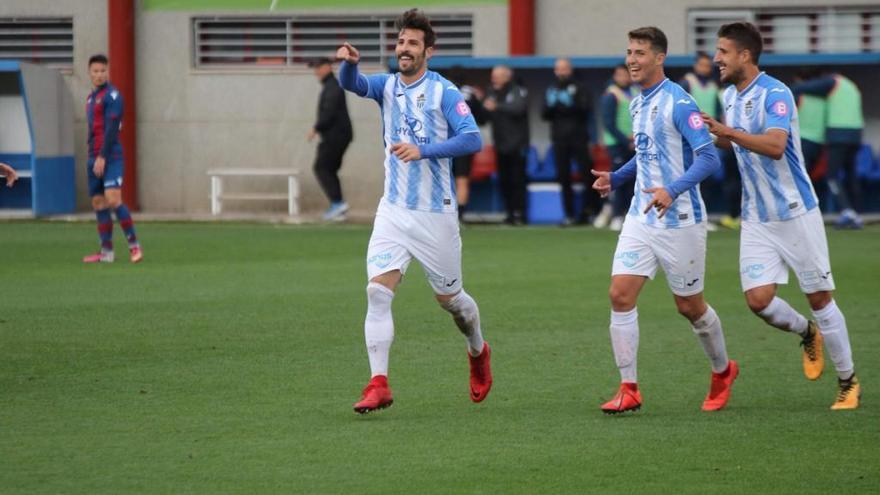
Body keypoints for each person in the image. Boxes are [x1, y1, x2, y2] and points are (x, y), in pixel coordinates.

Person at [336, 9, 492, 414]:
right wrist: (348, 65)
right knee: (377, 293)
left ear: (428, 51)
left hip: (434, 214)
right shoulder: (387, 86)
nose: (404, 49)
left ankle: (477, 349)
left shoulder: (444, 92)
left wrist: (424, 150)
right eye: (401, 42)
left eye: (412, 44)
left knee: (452, 301)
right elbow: (353, 85)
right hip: (393, 211)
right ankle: (379, 383)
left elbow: (472, 139)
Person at [703, 21, 859, 409]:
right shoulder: (732, 96)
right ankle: (808, 333)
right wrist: (704, 133)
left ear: (745, 55)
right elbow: (729, 138)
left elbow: (774, 146)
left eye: (723, 51)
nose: (716, 58)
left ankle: (848, 380)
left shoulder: (776, 93)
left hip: (794, 212)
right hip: (756, 216)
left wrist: (729, 133)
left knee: (820, 298)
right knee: (758, 301)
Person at [591, 27, 737, 415]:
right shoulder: (637, 102)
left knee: (689, 307)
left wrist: (671, 190)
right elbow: (646, 154)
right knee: (619, 295)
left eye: (640, 52)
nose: (632, 59)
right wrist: (616, 177)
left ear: (659, 58)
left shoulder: (680, 102)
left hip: (681, 221)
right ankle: (629, 388)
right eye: (629, 52)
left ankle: (723, 371)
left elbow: (709, 158)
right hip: (641, 217)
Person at [82, 54, 142, 264]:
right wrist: (93, 156)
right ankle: (106, 252)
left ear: (108, 72)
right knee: (99, 202)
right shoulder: (90, 99)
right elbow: (93, 131)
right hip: (93, 156)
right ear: (89, 73)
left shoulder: (113, 96)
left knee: (114, 199)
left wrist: (102, 156)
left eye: (102, 71)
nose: (99, 75)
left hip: (110, 156)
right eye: (95, 71)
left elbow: (112, 129)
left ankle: (134, 246)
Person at [792, 71, 865, 229]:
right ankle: (856, 213)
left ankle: (846, 212)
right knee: (851, 175)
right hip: (856, 133)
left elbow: (802, 87)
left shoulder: (833, 81)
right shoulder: (851, 87)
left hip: (838, 133)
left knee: (831, 176)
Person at [680, 52, 739, 231]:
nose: (705, 69)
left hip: (711, 138)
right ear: (696, 65)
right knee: (692, 176)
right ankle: (691, 216)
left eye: (708, 66)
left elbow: (719, 112)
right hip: (691, 138)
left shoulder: (714, 86)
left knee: (710, 176)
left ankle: (702, 216)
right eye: (702, 65)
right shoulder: (686, 83)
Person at [541, 57, 595, 225]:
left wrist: (568, 104)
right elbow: (544, 115)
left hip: (579, 137)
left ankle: (589, 211)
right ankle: (569, 214)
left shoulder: (580, 87)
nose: (561, 72)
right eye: (558, 69)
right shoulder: (551, 88)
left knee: (587, 175)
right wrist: (552, 104)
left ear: (570, 70)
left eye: (564, 69)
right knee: (563, 177)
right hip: (559, 139)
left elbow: (586, 109)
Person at [308, 57, 353, 222]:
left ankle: (338, 203)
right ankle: (339, 207)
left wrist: (316, 127)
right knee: (328, 169)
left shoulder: (333, 87)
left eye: (318, 67)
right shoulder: (330, 86)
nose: (316, 72)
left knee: (321, 167)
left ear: (327, 67)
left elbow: (329, 111)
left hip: (336, 135)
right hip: (337, 135)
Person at [483, 65, 529, 225]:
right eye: (493, 75)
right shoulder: (491, 92)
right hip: (500, 144)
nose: (494, 79)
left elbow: (519, 108)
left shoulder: (518, 90)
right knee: (504, 181)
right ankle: (509, 213)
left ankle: (520, 214)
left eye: (497, 75)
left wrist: (498, 107)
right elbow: (484, 117)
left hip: (518, 144)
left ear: (507, 76)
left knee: (518, 180)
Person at [597, 64, 637, 230]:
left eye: (626, 74)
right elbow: (609, 124)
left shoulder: (636, 92)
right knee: (618, 179)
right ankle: (615, 214)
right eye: (620, 74)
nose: (624, 78)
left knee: (632, 180)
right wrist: (625, 140)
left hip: (634, 144)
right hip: (617, 145)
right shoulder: (610, 95)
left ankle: (626, 213)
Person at [446, 67, 487, 222]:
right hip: (464, 141)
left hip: (445, 141)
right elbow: (482, 118)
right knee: (462, 178)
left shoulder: (443, 90)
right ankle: (460, 216)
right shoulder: (471, 94)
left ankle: (445, 213)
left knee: (444, 177)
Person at [792, 69, 828, 201]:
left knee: (799, 177)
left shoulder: (798, 97)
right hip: (819, 142)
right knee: (813, 178)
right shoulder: (823, 100)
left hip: (802, 142)